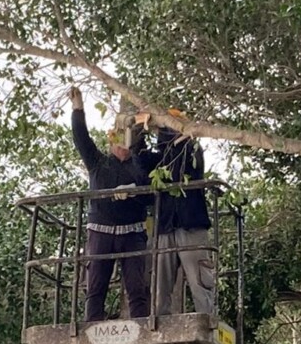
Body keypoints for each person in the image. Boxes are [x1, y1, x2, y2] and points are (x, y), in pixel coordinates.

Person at [70, 87, 151, 323]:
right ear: (111, 140)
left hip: (132, 233)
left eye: (125, 138)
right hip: (100, 233)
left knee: (137, 289)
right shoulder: (98, 162)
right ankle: (91, 327)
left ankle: (141, 329)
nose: (121, 144)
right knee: (95, 287)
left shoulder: (139, 164)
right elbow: (81, 138)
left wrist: (135, 192)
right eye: (117, 138)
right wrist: (78, 109)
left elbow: (150, 195)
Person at [142, 123, 216, 318]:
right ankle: (158, 323)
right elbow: (139, 158)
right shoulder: (159, 161)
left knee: (199, 281)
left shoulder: (192, 151)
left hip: (191, 226)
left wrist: (179, 136)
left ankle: (208, 320)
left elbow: (182, 165)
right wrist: (139, 130)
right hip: (165, 228)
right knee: (160, 286)